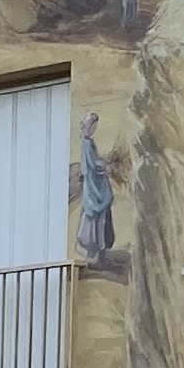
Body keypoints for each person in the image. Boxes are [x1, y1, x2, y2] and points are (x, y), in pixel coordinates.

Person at [74, 112, 119, 270]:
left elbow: (93, 162)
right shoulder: (86, 144)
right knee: (96, 219)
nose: (94, 129)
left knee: (101, 219)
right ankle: (94, 256)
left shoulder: (89, 142)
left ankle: (100, 255)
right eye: (93, 126)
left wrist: (103, 163)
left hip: (97, 185)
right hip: (94, 188)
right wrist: (104, 166)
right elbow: (91, 165)